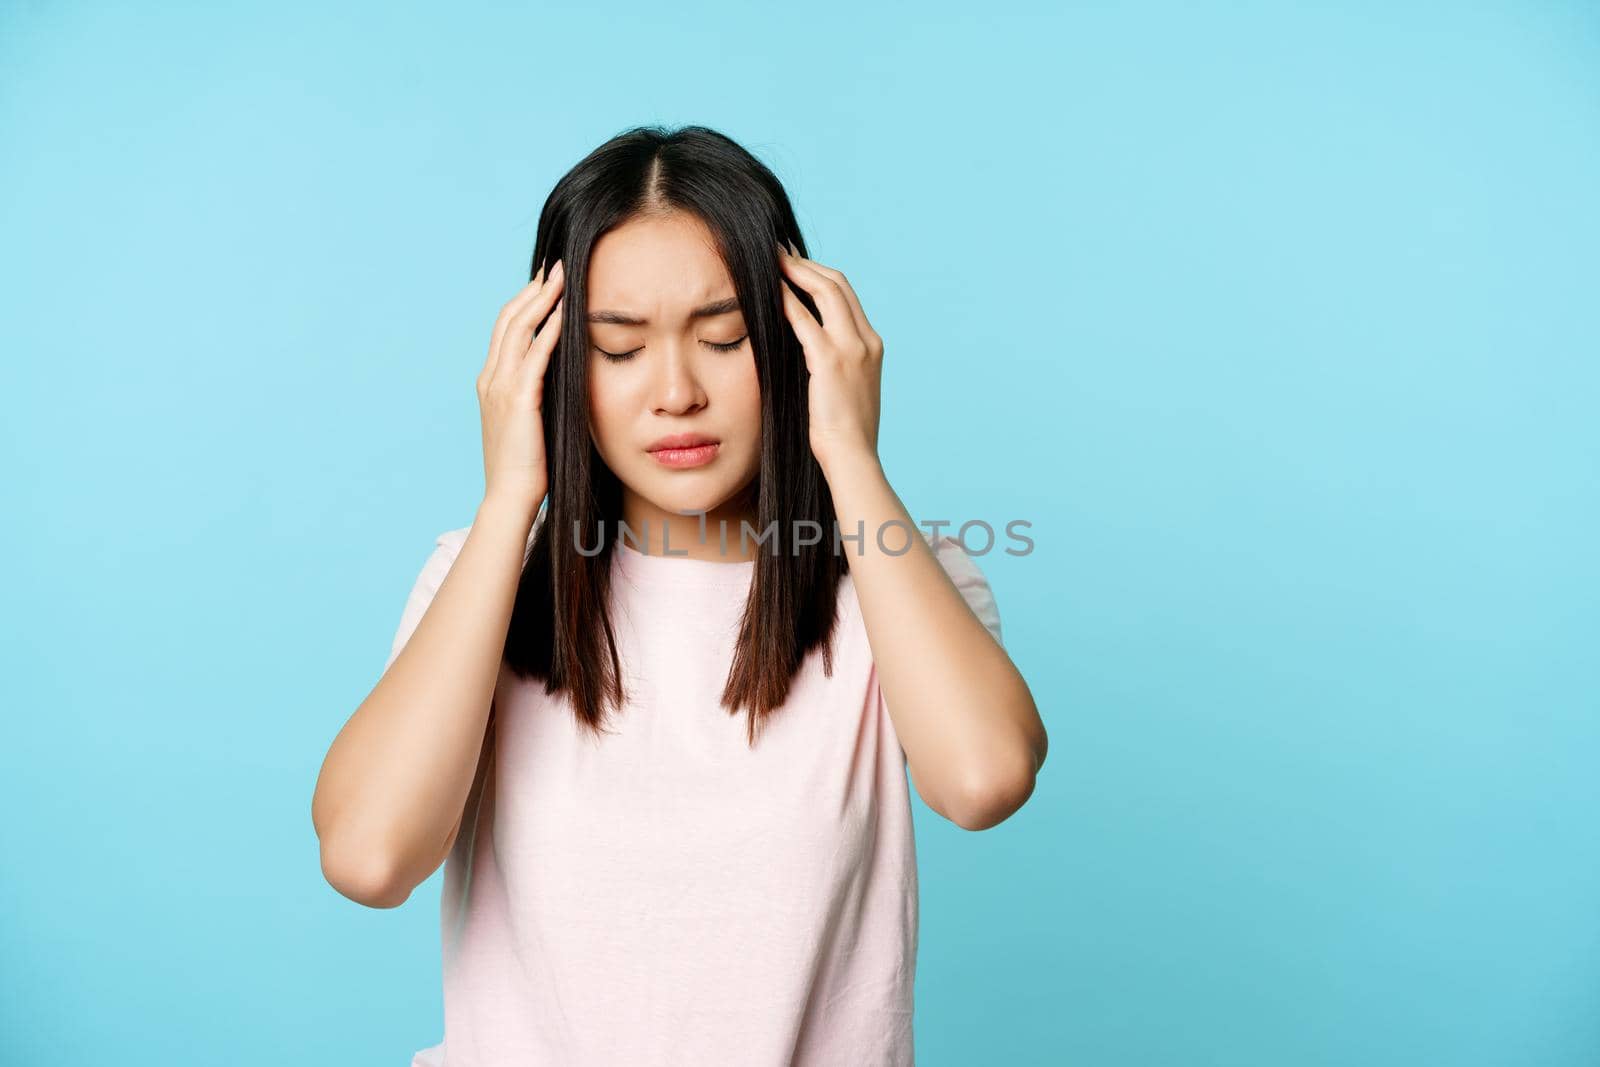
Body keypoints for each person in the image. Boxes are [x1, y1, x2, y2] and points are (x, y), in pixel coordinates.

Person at [311, 124, 1047, 1066]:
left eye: (726, 338)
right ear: (551, 369)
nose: (675, 393)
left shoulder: (898, 574)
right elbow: (371, 858)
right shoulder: (482, 579)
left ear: (799, 345)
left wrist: (852, 456)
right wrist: (509, 505)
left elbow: (983, 780)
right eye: (618, 350)